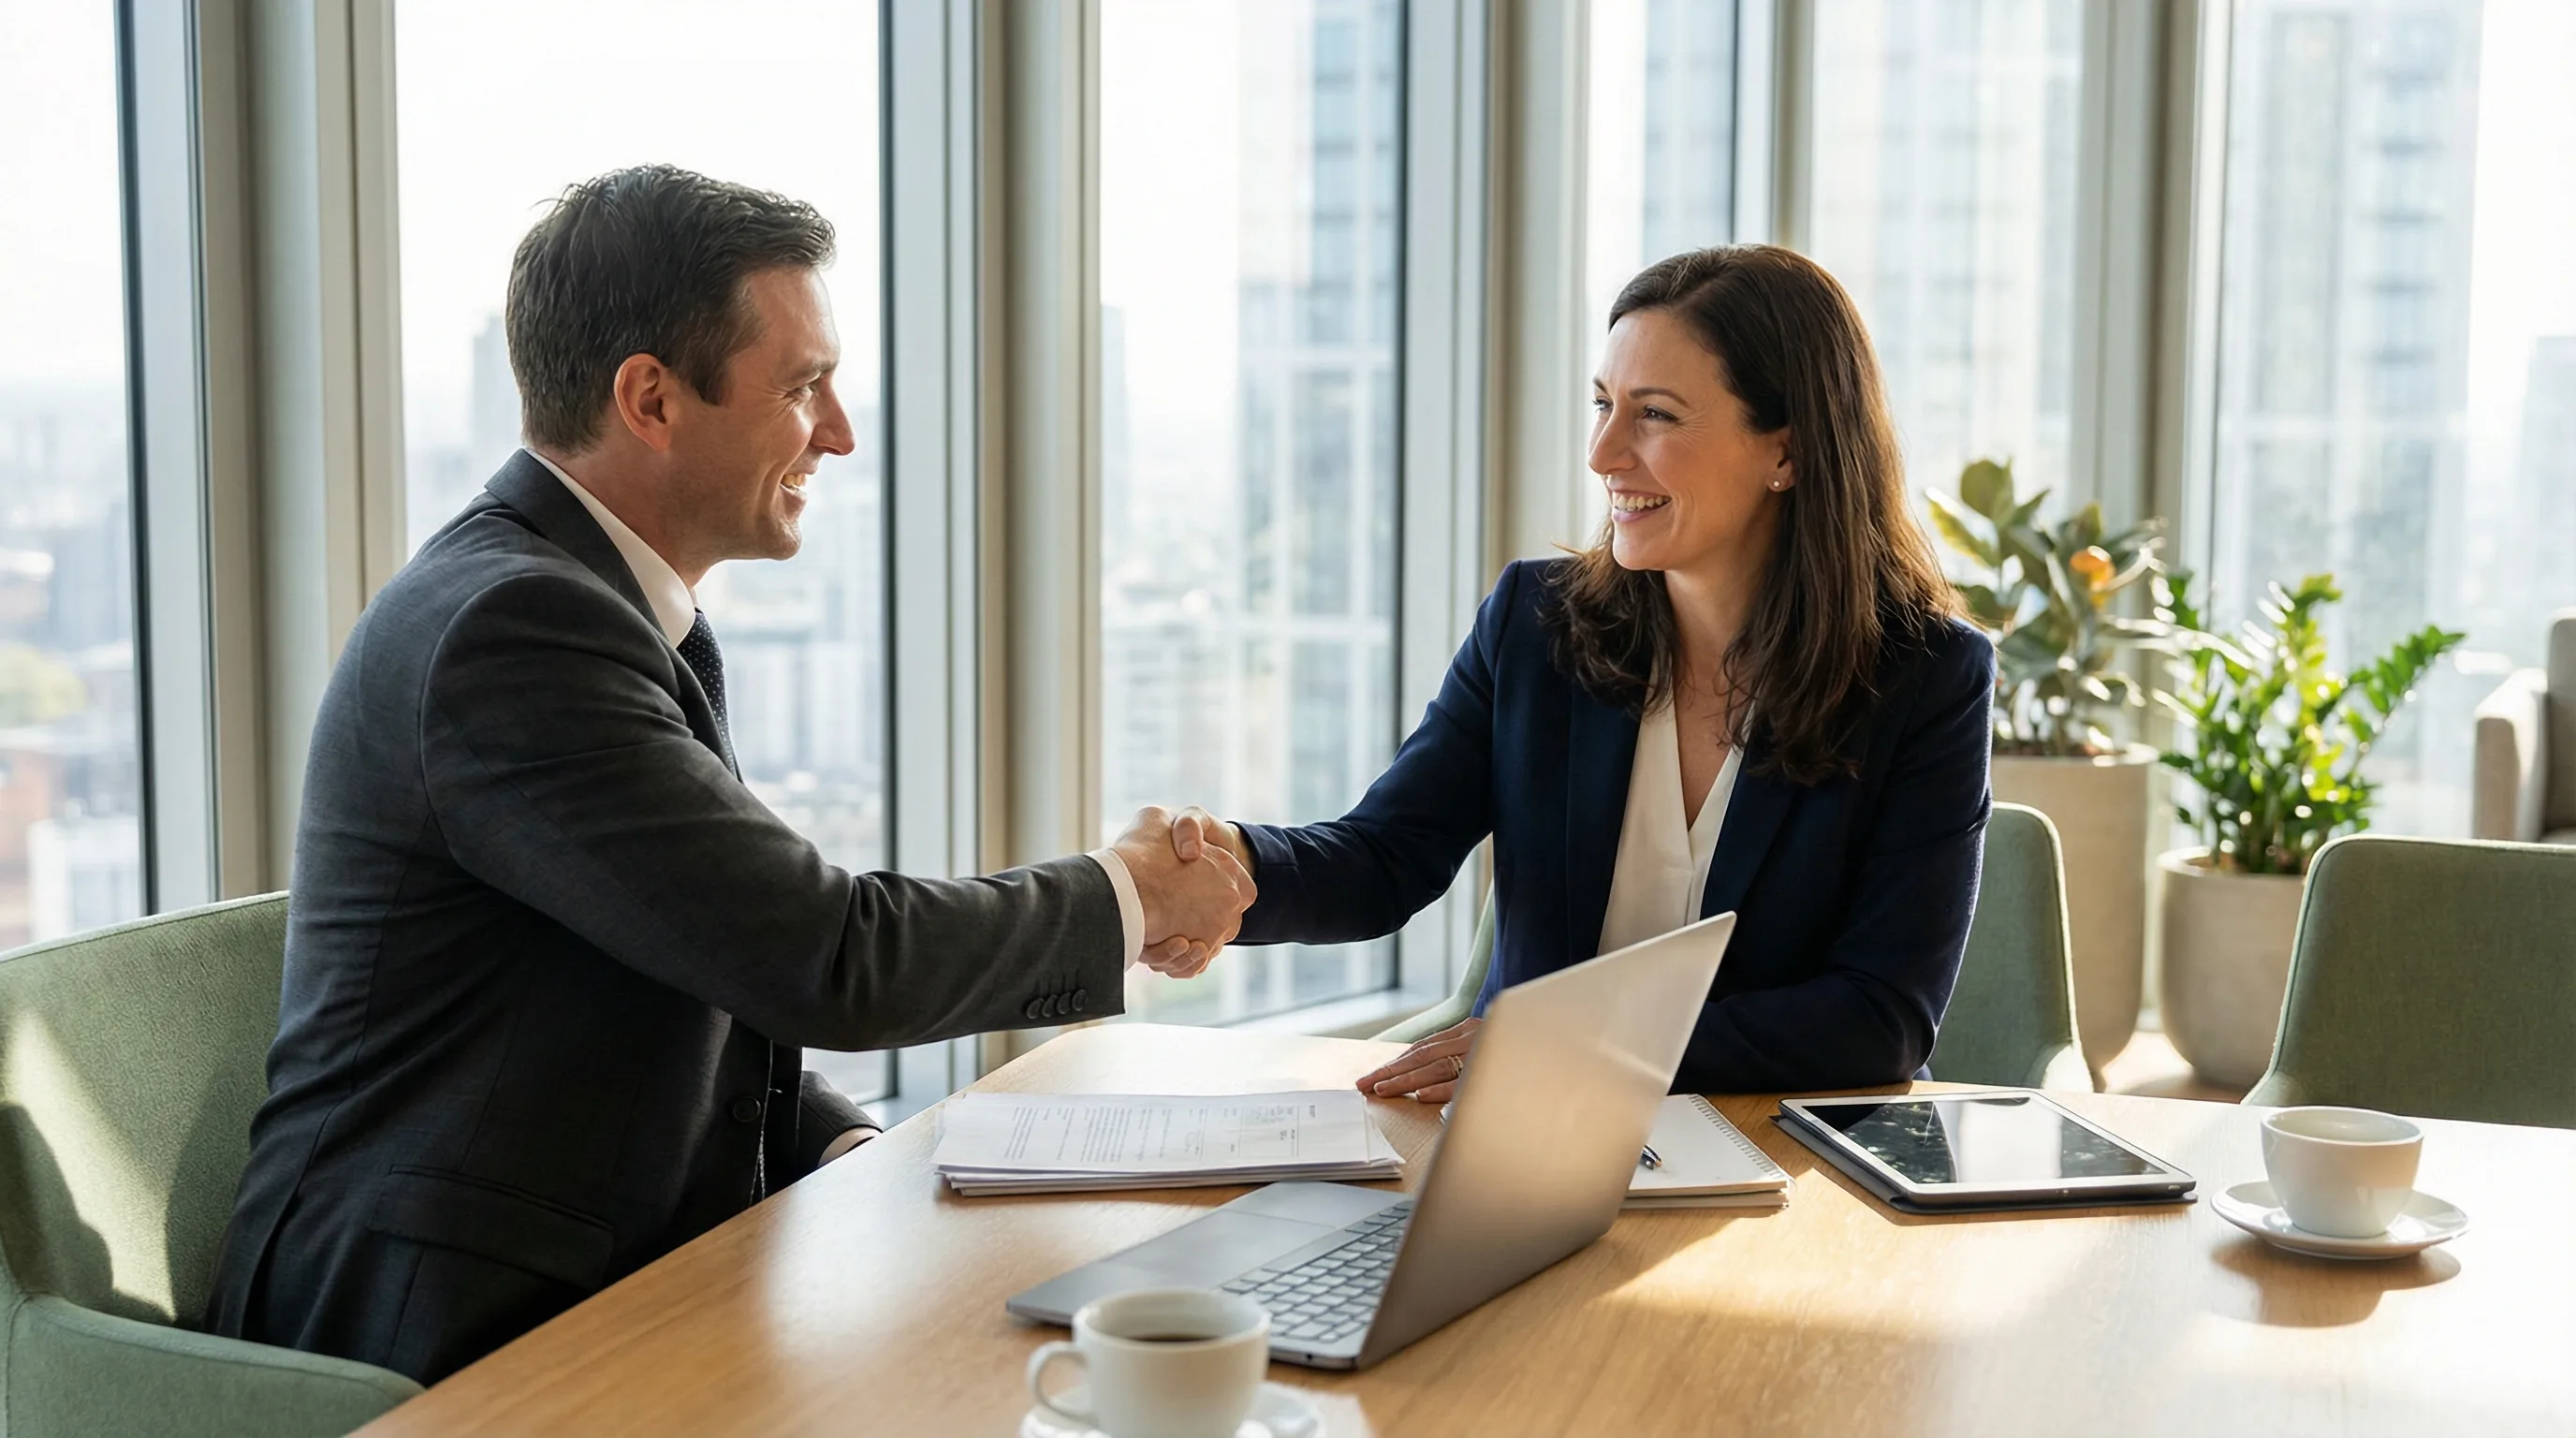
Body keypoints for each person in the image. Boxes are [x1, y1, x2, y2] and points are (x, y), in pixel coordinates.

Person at [207, 166, 1251, 1384]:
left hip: (605, 1267)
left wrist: (840, 1144)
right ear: (650, 397)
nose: (839, 431)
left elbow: (705, 955)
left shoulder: (619, 611)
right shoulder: (514, 634)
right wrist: (1130, 896)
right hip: (435, 1323)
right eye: (805, 385)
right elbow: (825, 958)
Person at [1167, 244, 1992, 1101]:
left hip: (1787, 1153)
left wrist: (1574, 1046)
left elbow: (1880, 1019)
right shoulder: (1536, 623)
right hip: (1522, 1140)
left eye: (1656, 416)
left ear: (1785, 450)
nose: (1603, 454)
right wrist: (1231, 869)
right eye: (1603, 405)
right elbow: (1385, 857)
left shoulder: (1928, 678)